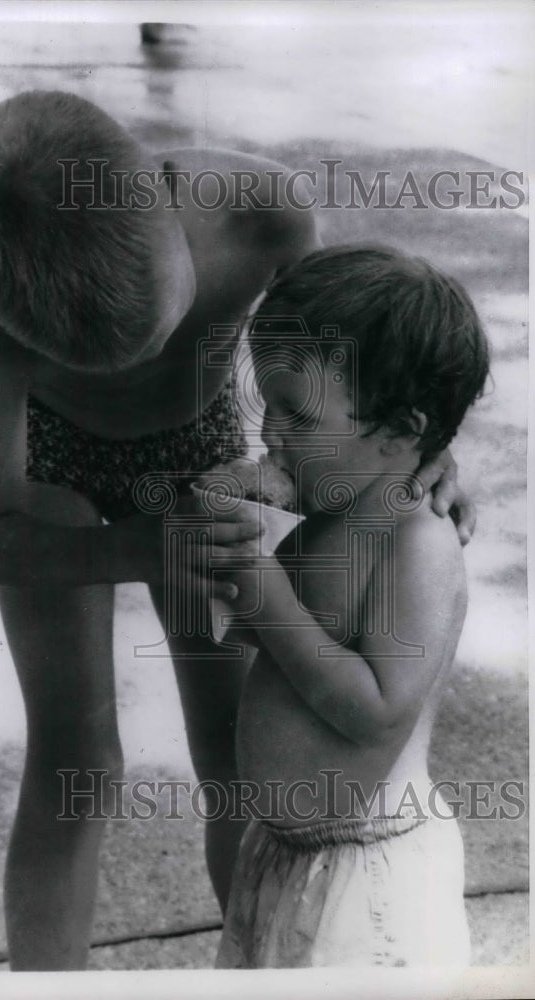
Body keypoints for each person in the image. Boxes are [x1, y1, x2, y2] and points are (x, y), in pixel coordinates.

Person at [0, 91, 471, 970]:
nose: (144, 362)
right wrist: (138, 546)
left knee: (231, 750)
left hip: (200, 452)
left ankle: (255, 961)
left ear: (166, 196)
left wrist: (427, 450)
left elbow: (362, 374)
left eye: (160, 331)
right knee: (76, 758)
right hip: (53, 474)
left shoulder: (262, 210)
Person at [209, 245, 489, 967]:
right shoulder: (323, 516)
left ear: (401, 431)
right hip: (286, 860)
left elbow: (375, 711)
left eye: (296, 415)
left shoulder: (418, 545)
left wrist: (266, 596)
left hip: (368, 887)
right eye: (267, 406)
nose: (269, 434)